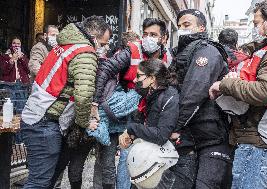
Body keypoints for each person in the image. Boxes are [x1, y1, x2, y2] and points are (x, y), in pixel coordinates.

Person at [20, 15, 111, 189]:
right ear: (93, 38)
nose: (105, 48)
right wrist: (84, 123)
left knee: (44, 179)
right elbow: (84, 95)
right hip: (45, 122)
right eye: (103, 43)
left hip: (36, 116)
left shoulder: (65, 45)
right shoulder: (85, 53)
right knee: (38, 183)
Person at [209, 0, 267, 188]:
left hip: (259, 142)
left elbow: (266, 91)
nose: (255, 27)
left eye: (257, 22)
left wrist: (226, 84)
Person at [91, 18, 172, 189]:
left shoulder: (168, 57)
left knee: (134, 158)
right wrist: (95, 103)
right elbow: (106, 69)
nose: (148, 38)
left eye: (153, 34)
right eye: (145, 34)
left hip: (148, 113)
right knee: (113, 158)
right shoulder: (131, 51)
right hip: (122, 112)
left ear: (164, 38)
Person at [170, 9, 231, 188]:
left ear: (201, 27)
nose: (182, 29)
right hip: (191, 135)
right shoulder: (183, 52)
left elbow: (193, 93)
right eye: (179, 26)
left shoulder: (207, 51)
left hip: (211, 137)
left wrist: (173, 127)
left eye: (187, 25)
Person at [119, 59, 179, 189]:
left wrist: (132, 129)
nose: (135, 80)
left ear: (152, 78)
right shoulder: (149, 94)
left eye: (139, 76)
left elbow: (161, 135)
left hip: (161, 165)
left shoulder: (169, 97)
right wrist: (132, 135)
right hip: (149, 159)